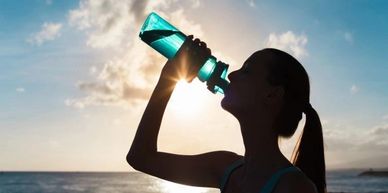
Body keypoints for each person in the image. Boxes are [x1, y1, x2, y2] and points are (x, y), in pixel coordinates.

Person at [127, 35, 326, 193]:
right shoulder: (225, 168)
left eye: (246, 71)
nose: (231, 75)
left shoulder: (294, 187)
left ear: (272, 94)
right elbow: (140, 157)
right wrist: (169, 77)